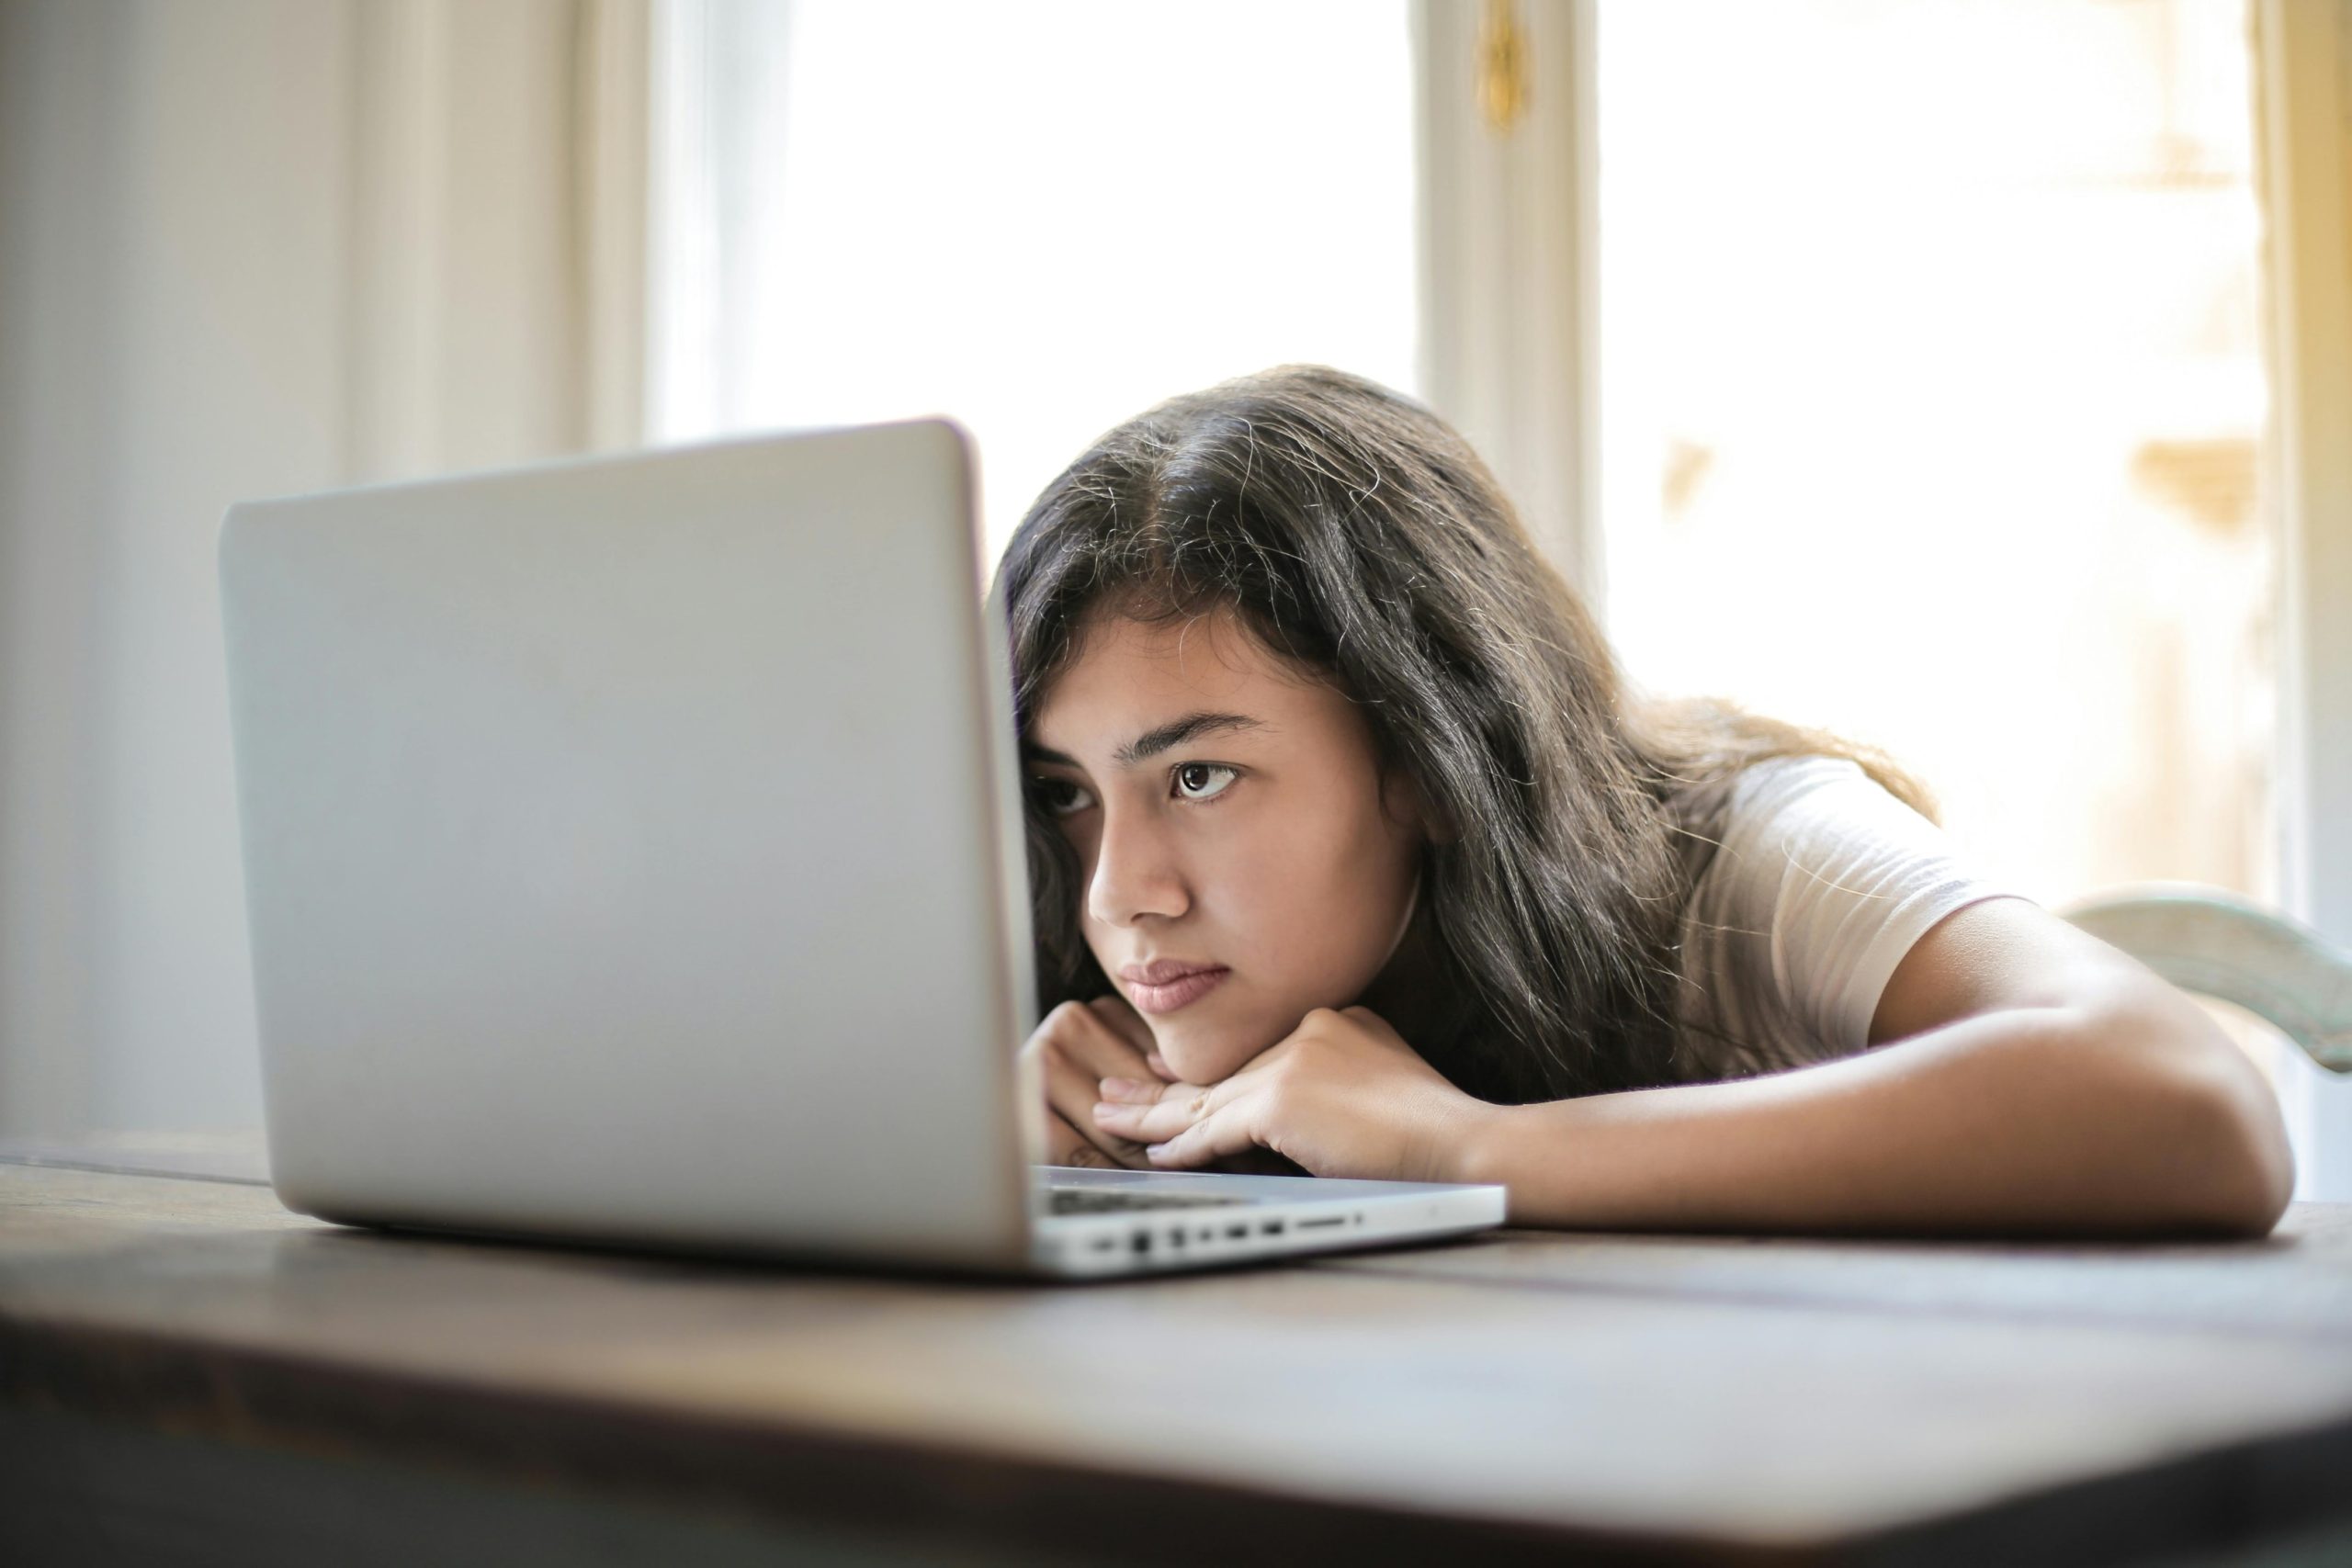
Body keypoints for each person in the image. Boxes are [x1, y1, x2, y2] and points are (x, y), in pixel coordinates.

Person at [997, 364, 2292, 1238]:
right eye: (1067, 791)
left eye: (1199, 777)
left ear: (1435, 757)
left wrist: (1463, 1150)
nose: (1122, 892)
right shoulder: (1100, 985)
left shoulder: (1747, 851)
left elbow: (2188, 1102)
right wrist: (980, 1160)